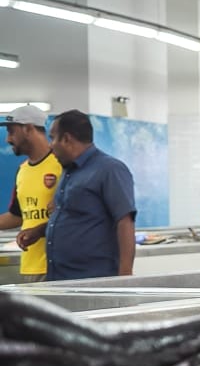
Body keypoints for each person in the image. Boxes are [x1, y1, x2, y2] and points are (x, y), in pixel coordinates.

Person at [17, 109, 137, 281]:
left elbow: (125, 221)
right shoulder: (68, 172)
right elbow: (72, 216)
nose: (50, 146)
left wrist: (125, 278)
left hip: (93, 279)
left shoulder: (109, 169)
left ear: (66, 139)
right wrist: (38, 231)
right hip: (60, 277)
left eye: (53, 138)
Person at [0, 105, 62, 282]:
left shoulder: (61, 164)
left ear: (28, 128)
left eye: (11, 131)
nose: (8, 139)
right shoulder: (23, 171)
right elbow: (17, 216)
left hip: (56, 268)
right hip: (29, 266)